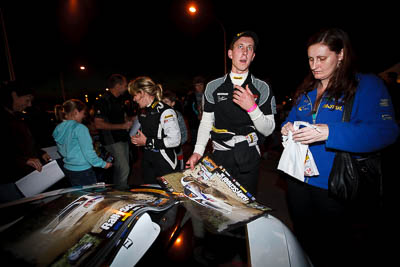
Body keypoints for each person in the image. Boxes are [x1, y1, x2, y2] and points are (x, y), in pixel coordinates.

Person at [280, 28, 399, 267]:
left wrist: (330, 132)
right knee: (305, 240)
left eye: (322, 58)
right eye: (311, 59)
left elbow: (387, 131)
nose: (315, 65)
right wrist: (286, 126)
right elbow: (291, 118)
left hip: (335, 185)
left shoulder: (366, 85)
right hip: (297, 180)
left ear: (341, 54)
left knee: (336, 248)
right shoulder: (307, 90)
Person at [186, 31, 276, 196]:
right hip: (219, 155)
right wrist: (197, 151)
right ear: (230, 53)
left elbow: (268, 130)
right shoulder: (213, 86)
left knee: (245, 213)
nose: (244, 52)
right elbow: (206, 122)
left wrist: (252, 107)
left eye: (249, 48)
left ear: (253, 56)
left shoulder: (262, 87)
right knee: (221, 209)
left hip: (248, 155)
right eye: (240, 47)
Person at [0, 80, 52, 203]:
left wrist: (40, 153)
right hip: (8, 181)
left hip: (24, 179)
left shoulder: (16, 117)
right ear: (14, 95)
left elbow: (24, 143)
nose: (29, 105)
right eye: (27, 100)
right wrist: (24, 160)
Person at [128, 76, 181, 184]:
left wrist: (147, 142)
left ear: (142, 93)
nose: (133, 99)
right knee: (151, 194)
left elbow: (175, 140)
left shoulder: (165, 111)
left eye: (134, 95)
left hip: (165, 163)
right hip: (148, 161)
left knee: (170, 198)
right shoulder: (142, 111)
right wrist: (139, 139)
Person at [53, 99, 112, 186]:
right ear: (76, 112)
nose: (84, 116)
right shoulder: (80, 128)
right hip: (83, 171)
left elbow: (62, 151)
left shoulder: (58, 128)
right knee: (92, 196)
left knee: (79, 196)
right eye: (83, 113)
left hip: (69, 169)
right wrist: (103, 164)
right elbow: (88, 152)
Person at [93, 74, 133, 190]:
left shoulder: (119, 100)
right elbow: (98, 124)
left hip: (122, 138)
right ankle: (122, 194)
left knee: (121, 168)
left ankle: (117, 191)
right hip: (112, 140)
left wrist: (130, 120)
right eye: (125, 85)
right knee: (124, 168)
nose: (126, 88)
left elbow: (119, 118)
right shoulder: (103, 100)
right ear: (118, 85)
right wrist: (122, 126)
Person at [162, 90, 188, 170]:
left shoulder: (177, 115)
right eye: (162, 102)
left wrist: (175, 145)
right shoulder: (160, 115)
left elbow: (184, 135)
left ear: (173, 103)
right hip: (164, 152)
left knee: (178, 173)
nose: (163, 104)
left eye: (166, 102)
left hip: (176, 152)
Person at [184, 76, 206, 146]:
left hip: (206, 124)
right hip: (194, 125)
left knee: (205, 143)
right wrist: (196, 115)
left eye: (201, 85)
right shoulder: (190, 97)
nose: (199, 87)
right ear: (194, 86)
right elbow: (186, 110)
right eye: (197, 85)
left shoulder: (207, 95)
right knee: (195, 143)